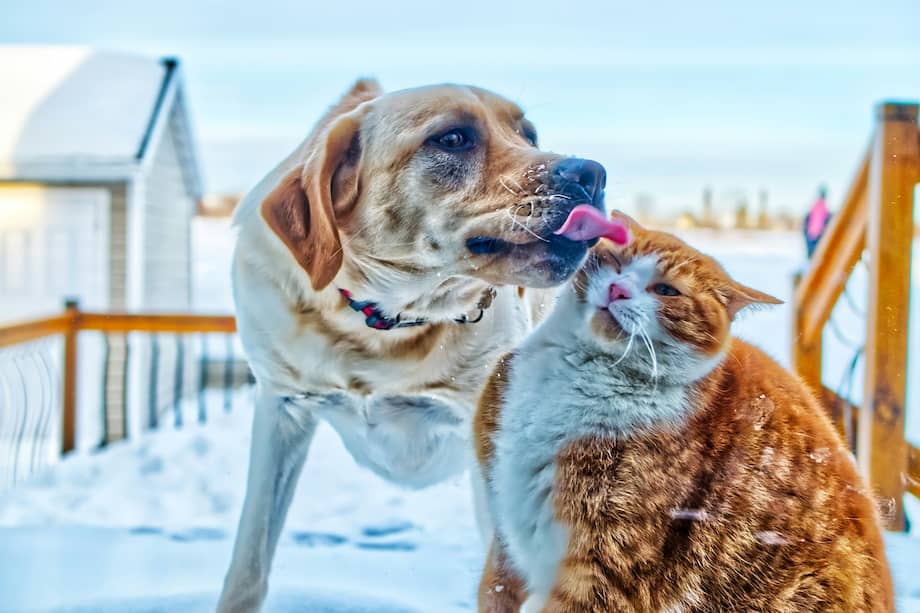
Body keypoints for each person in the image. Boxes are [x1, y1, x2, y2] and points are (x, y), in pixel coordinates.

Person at [804, 185, 831, 258]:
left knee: (813, 255)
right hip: (816, 235)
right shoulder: (822, 206)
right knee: (815, 256)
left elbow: (807, 220)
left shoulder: (816, 205)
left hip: (813, 235)